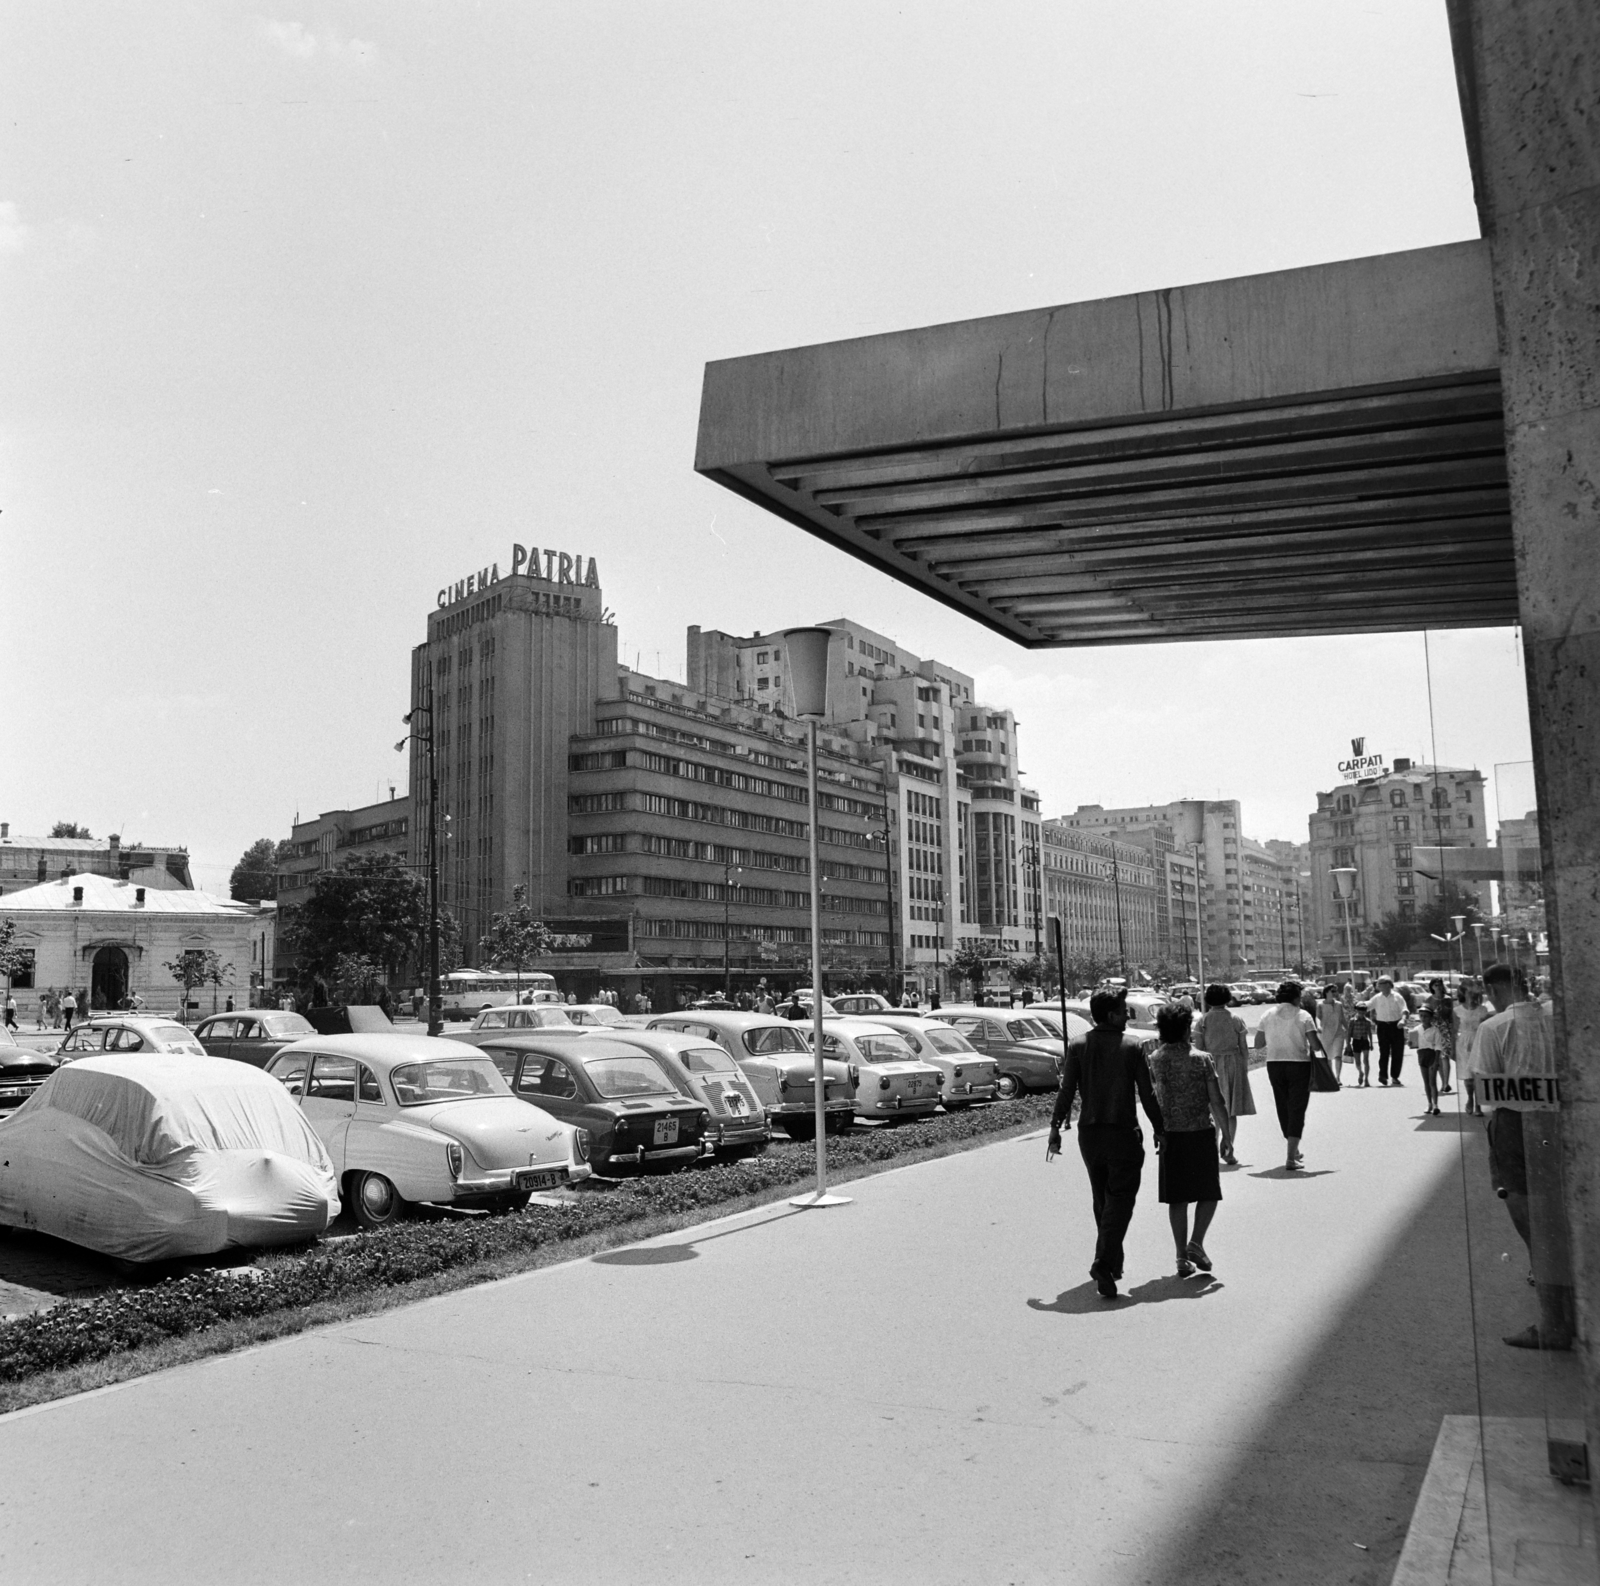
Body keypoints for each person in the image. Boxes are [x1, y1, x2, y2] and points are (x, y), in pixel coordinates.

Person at [1473, 962, 1572, 1350]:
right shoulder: (1556, 1015)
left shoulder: (1493, 1027)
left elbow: (1486, 1088)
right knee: (1561, 1221)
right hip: (1562, 1123)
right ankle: (1570, 1312)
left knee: (1534, 1228)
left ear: (1493, 990)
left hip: (1516, 1127)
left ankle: (1553, 1324)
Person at [1047, 989, 1165, 1301]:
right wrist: (1160, 1128)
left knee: (1103, 1201)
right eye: (1124, 1011)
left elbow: (1066, 1089)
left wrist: (1055, 1127)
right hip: (1122, 1133)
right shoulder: (1132, 1046)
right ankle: (1103, 1263)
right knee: (1121, 1200)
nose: (1127, 1016)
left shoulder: (1078, 1045)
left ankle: (1112, 1264)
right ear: (1110, 1015)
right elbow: (1148, 1093)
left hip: (1090, 1136)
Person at [1146, 1003, 1230, 1276]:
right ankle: (1196, 1242)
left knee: (1177, 1199)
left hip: (1171, 1136)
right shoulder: (1201, 1059)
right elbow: (1216, 1100)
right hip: (1200, 1133)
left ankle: (1181, 1258)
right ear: (1185, 1029)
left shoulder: (1155, 1059)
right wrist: (1227, 1135)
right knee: (1208, 1193)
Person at [1257, 980, 1326, 1171]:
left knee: (1283, 1106)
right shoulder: (1303, 1015)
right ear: (1296, 998)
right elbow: (1315, 1045)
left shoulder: (1267, 1014)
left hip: (1274, 1064)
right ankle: (1290, 1157)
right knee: (1297, 1108)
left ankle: (1293, 1150)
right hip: (1299, 1065)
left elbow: (1258, 1044)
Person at [1193, 983, 1253, 1164]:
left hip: (1210, 1064)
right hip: (1233, 1064)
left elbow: (1198, 1049)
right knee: (1230, 1111)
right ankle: (1228, 1149)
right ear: (1227, 998)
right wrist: (1244, 1068)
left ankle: (1212, 1150)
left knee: (1212, 1110)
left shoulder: (1203, 1021)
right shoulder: (1236, 1019)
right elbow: (1243, 1048)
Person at [1368, 975, 1408, 1086]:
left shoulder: (1397, 997)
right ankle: (1383, 1076)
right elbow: (1368, 1005)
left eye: (1380, 984)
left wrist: (1403, 1020)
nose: (1378, 986)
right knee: (1384, 1052)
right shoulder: (1377, 998)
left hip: (1396, 1026)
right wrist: (1359, 1005)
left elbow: (1404, 1009)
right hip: (1382, 1027)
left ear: (1388, 985)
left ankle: (1395, 1076)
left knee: (1397, 1052)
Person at [1456, 984, 1487, 1115]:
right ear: (1464, 994)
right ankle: (1470, 1098)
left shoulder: (1483, 1010)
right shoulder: (1457, 1010)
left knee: (1478, 1074)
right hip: (1463, 1043)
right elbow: (1454, 1030)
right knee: (1468, 1075)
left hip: (1478, 1040)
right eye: (1469, 993)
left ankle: (1478, 1105)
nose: (1472, 996)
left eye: (1474, 993)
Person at [1426, 978, 1456, 1095]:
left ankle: (1446, 1083)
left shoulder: (1448, 1000)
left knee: (1445, 1056)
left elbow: (1454, 1016)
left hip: (1446, 1030)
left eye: (1440, 985)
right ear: (1432, 987)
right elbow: (1424, 1016)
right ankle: (1443, 1081)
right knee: (1437, 1058)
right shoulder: (1429, 1000)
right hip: (1434, 1031)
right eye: (1435, 985)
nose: (1438, 987)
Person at [1317, 984, 1348, 1083]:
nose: (1335, 993)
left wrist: (1348, 1029)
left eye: (1336, 991)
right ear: (1326, 992)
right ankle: (1330, 1077)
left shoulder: (1339, 1004)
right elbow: (1317, 1017)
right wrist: (1318, 1027)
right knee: (1328, 1057)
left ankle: (1338, 1078)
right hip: (1325, 1033)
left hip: (1338, 1032)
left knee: (1338, 1055)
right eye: (1332, 991)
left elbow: (1342, 1018)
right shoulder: (1320, 1005)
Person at [1415, 1007, 1442, 1114]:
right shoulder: (1417, 1029)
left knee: (1432, 1082)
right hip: (1422, 1055)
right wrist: (1410, 1042)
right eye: (1421, 1016)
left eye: (1426, 1016)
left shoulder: (1435, 1030)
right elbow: (1414, 1043)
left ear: (1431, 1018)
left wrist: (1436, 1061)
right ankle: (1429, 1103)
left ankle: (1435, 1105)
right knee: (1426, 1082)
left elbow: (1438, 1046)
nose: (1423, 1018)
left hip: (1432, 1055)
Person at [1347, 999, 1373, 1087]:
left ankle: (1366, 1079)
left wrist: (1371, 1043)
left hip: (1365, 1041)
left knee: (1366, 1060)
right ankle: (1360, 1072)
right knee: (1357, 1061)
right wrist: (1348, 1044)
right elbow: (1349, 1033)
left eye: (1363, 1012)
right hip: (1356, 1041)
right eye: (1360, 1012)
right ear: (1357, 1011)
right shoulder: (1353, 1021)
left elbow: (1369, 1032)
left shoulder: (1367, 1021)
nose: (1361, 1014)